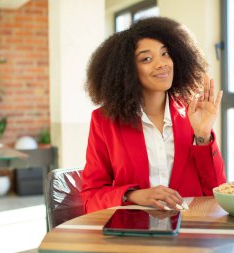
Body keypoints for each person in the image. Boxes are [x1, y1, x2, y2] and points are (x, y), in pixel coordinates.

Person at [82, 16, 226, 213]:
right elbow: (91, 198)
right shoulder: (104, 121)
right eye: (146, 58)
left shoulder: (192, 114)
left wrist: (203, 135)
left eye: (165, 53)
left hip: (190, 229)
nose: (162, 64)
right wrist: (133, 195)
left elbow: (216, 191)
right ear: (127, 70)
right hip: (134, 232)